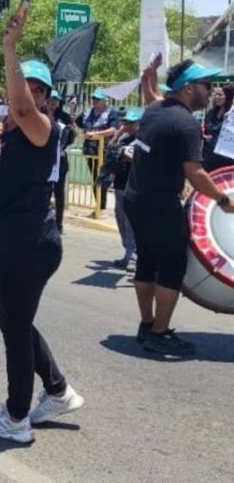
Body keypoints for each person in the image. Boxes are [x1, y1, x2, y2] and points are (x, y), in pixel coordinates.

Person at [0, 8, 83, 443]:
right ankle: (58, 390)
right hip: (5, 246)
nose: (25, 93)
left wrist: (9, 49)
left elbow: (23, 109)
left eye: (35, 87)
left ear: (45, 97)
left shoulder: (41, 130)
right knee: (11, 321)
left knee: (13, 328)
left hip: (30, 244)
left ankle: (15, 418)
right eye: (21, 83)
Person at [124, 59, 234, 356]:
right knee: (172, 265)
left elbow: (152, 95)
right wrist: (223, 200)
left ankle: (147, 325)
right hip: (160, 203)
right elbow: (196, 173)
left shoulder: (155, 111)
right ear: (188, 89)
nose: (211, 92)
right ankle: (159, 333)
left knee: (146, 260)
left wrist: (148, 76)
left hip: (135, 198)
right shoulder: (186, 124)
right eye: (206, 86)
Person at [99, 108, 143, 269]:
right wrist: (118, 134)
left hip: (134, 186)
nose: (129, 126)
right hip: (120, 183)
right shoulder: (124, 138)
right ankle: (129, 250)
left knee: (131, 221)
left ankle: (132, 255)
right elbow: (110, 148)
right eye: (127, 122)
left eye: (133, 122)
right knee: (120, 218)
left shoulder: (144, 139)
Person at [75, 89, 119, 210]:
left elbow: (113, 130)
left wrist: (96, 134)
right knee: (94, 177)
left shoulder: (111, 113)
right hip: (90, 150)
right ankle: (99, 205)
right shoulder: (87, 113)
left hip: (103, 151)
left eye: (97, 99)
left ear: (105, 101)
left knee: (102, 178)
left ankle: (102, 206)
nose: (94, 101)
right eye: (93, 98)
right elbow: (77, 122)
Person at [46, 89, 75, 233]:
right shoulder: (40, 115)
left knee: (59, 193)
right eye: (50, 100)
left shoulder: (65, 117)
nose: (52, 104)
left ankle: (59, 223)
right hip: (44, 160)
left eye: (55, 101)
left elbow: (71, 139)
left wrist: (71, 129)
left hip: (60, 160)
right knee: (45, 191)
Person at [202, 84, 234, 172]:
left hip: (226, 159)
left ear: (228, 96)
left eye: (220, 95)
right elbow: (207, 130)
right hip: (208, 158)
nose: (217, 97)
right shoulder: (211, 113)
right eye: (216, 94)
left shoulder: (231, 115)